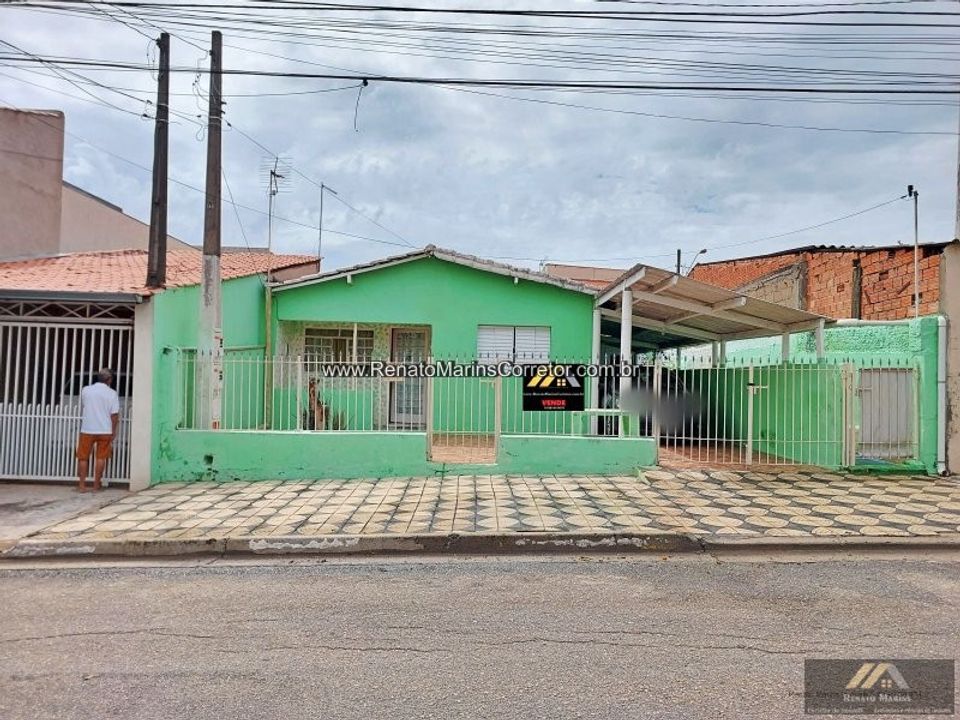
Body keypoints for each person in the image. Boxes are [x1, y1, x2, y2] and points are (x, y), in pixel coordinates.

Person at [76, 368, 120, 492]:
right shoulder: (112, 393)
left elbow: (85, 404)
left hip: (88, 429)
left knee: (83, 457)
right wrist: (113, 431)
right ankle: (96, 485)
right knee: (101, 458)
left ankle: (82, 486)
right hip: (105, 430)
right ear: (109, 380)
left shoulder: (86, 390)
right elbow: (114, 414)